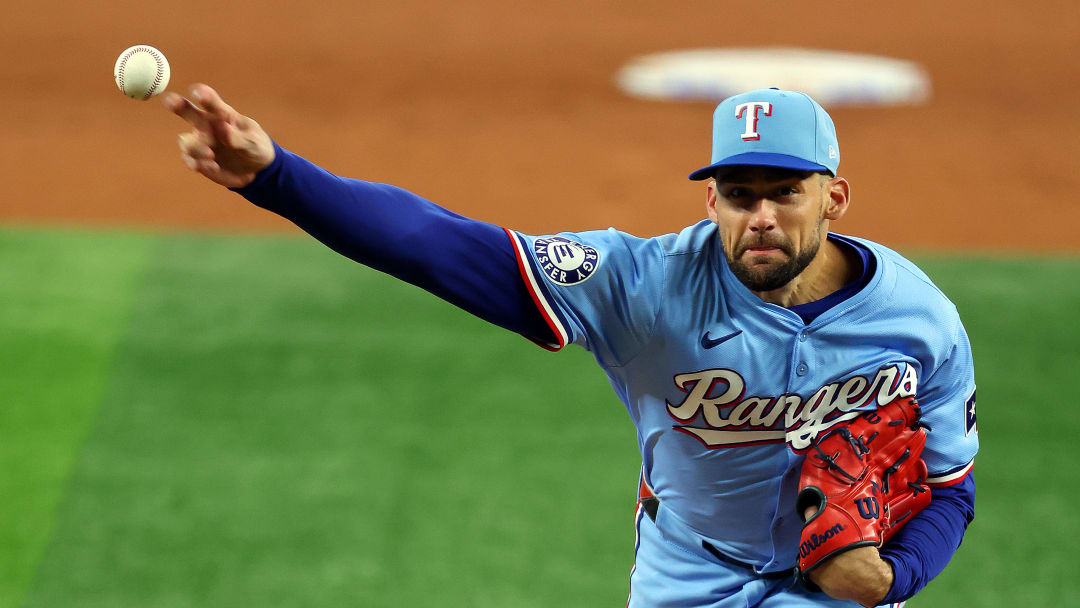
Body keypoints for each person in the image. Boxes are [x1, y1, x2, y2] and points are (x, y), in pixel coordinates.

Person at [163, 84, 978, 607]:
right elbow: (439, 245)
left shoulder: (918, 322)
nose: (759, 215)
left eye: (784, 193)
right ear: (710, 201)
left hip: (835, 588)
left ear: (834, 196)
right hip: (687, 577)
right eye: (738, 194)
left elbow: (950, 485)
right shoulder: (644, 284)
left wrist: (888, 578)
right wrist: (276, 176)